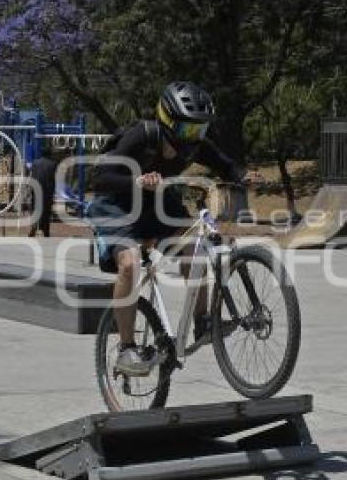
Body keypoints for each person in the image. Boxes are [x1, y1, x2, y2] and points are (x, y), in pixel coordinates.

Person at [87, 81, 256, 377]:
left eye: (200, 129)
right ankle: (126, 349)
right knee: (129, 263)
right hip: (115, 205)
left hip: (157, 202)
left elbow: (225, 165)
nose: (195, 137)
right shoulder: (140, 137)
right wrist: (137, 181)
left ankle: (202, 321)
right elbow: (101, 177)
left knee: (197, 248)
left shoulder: (195, 146)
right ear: (167, 121)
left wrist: (242, 175)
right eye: (188, 130)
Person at [27, 155, 58, 238]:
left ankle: (33, 227)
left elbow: (32, 176)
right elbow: (53, 179)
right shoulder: (53, 164)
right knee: (46, 211)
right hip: (47, 190)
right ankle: (45, 230)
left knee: (35, 209)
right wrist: (53, 192)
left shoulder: (35, 163)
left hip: (35, 188)